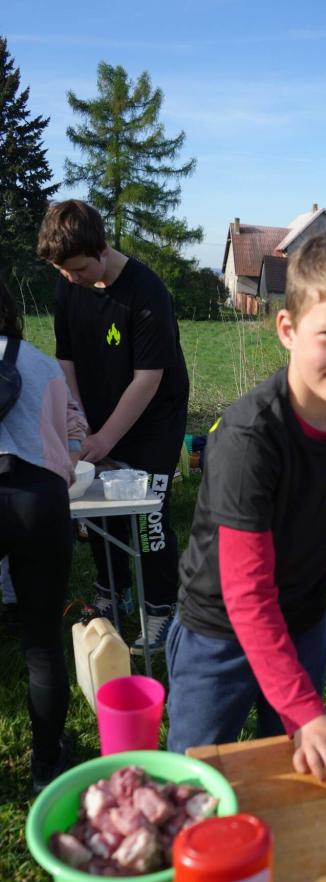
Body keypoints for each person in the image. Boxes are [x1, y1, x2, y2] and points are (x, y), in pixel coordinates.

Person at [167, 232, 326, 781]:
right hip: (218, 633)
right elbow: (246, 594)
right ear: (288, 329)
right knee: (194, 779)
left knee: (297, 773)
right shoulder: (250, 438)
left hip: (301, 621)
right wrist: (305, 710)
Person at [36, 201, 190, 654]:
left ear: (101, 249)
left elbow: (148, 379)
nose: (71, 279)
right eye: (63, 272)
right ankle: (113, 592)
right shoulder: (69, 285)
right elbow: (65, 359)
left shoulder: (147, 293)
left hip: (153, 419)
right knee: (97, 507)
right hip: (96, 413)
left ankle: (160, 608)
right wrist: (79, 422)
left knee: (148, 511)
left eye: (79, 269)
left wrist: (105, 438)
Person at [0, 275, 87, 791]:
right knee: (42, 642)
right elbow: (75, 432)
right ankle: (46, 763)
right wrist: (66, 465)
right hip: (39, 500)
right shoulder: (41, 364)